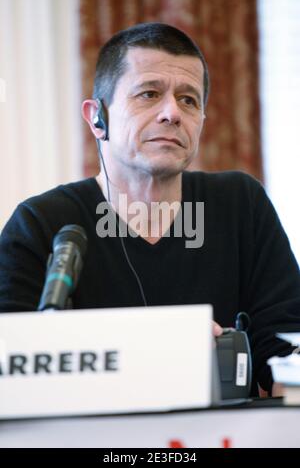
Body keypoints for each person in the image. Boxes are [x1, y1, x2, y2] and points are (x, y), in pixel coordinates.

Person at [0, 23, 299, 397]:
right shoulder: (41, 224)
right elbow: (12, 369)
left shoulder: (241, 204)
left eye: (189, 100)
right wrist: (155, 349)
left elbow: (285, 350)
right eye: (149, 94)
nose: (172, 113)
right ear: (97, 117)